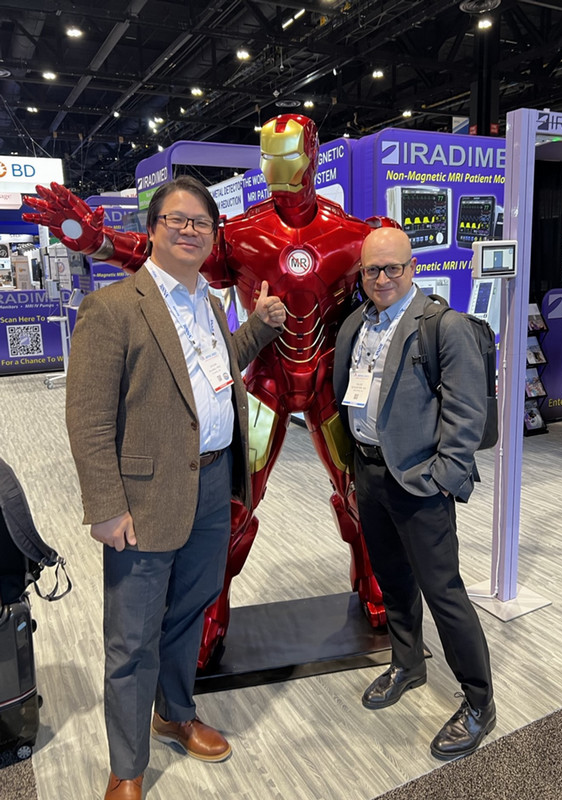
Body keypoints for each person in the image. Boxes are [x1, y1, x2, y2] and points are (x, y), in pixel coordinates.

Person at [23, 114, 400, 671]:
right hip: (264, 387)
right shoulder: (243, 233)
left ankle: (378, 588)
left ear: (313, 154)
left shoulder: (352, 235)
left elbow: (392, 284)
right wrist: (98, 240)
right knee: (231, 508)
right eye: (268, 156)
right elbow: (163, 257)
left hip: (329, 389)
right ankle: (207, 614)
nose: (278, 169)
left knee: (362, 496)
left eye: (288, 154)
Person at [64, 175, 285, 799]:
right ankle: (127, 768)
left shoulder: (209, 303)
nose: (190, 230)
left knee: (190, 613)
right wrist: (105, 507)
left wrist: (261, 327)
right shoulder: (112, 308)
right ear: (154, 228)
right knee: (132, 637)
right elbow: (87, 417)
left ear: (212, 236)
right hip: (143, 496)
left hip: (214, 484)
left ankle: (176, 714)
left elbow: (212, 378)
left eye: (201, 223)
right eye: (177, 220)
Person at [333, 226, 495, 761]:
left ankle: (478, 702)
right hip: (371, 475)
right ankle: (408, 663)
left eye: (392, 268)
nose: (381, 278)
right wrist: (357, 468)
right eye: (372, 270)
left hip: (421, 482)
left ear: (411, 267)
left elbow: (467, 414)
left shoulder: (443, 327)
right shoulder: (357, 324)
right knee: (393, 581)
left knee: (443, 591)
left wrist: (443, 476)